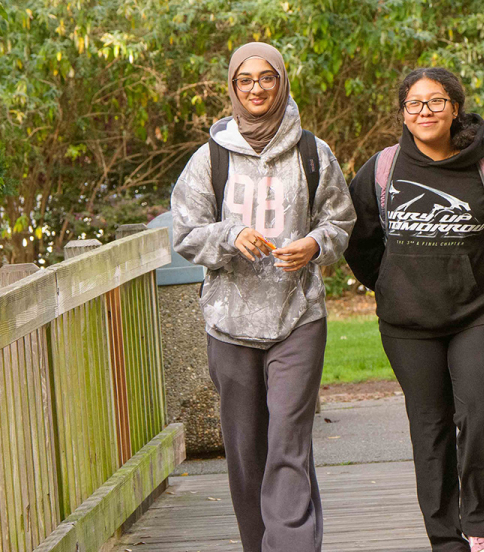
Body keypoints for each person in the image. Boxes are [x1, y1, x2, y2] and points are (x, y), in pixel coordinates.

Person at [170, 42, 355, 552]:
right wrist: (232, 237)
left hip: (298, 317)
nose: (256, 88)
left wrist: (314, 244)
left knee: (288, 444)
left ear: (282, 82)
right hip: (229, 322)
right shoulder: (209, 157)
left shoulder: (313, 153)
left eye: (266, 77)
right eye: (245, 80)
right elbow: (185, 233)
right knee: (247, 451)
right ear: (232, 87)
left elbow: (340, 221)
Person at [344, 67, 484, 552]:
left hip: (482, 310)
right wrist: (389, 284)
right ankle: (445, 540)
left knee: (479, 415)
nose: (424, 111)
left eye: (435, 102)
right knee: (428, 429)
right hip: (408, 323)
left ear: (455, 107)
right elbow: (358, 239)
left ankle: (482, 528)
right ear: (403, 114)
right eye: (414, 104)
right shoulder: (383, 169)